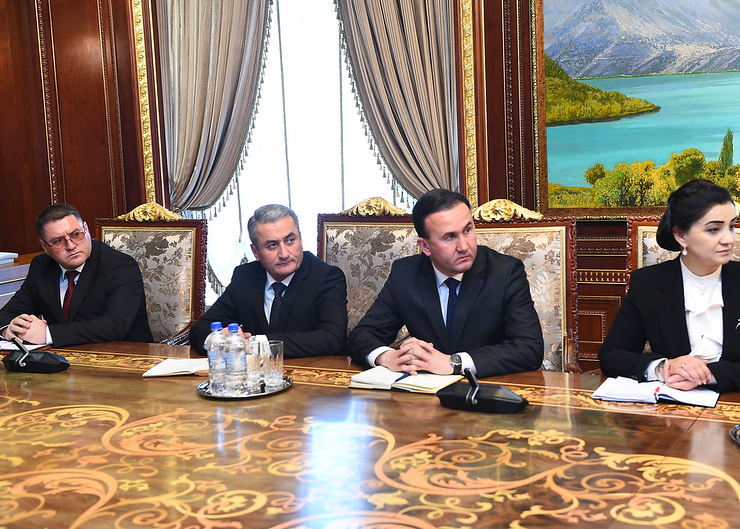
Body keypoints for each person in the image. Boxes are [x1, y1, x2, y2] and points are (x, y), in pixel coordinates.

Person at [599, 179, 740, 392]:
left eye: (731, 226)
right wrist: (664, 368)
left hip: (739, 401)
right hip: (670, 404)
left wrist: (708, 375)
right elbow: (612, 356)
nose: (729, 239)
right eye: (714, 229)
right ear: (681, 236)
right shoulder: (648, 283)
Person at [347, 189, 544, 378]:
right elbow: (362, 335)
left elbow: (529, 348)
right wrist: (389, 357)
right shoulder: (405, 274)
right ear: (425, 246)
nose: (464, 246)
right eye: (450, 237)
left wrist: (453, 363)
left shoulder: (505, 272)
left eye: (468, 230)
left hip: (488, 388)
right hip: (422, 392)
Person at [189, 204, 347, 357]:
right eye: (272, 245)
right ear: (255, 252)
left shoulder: (326, 277)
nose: (284, 254)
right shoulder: (245, 277)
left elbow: (332, 338)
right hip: (253, 372)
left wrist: (257, 345)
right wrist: (218, 340)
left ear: (300, 239)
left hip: (311, 370)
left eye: (290, 240)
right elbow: (201, 328)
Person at [0, 204, 153, 346]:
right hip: (64, 359)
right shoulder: (41, 266)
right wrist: (8, 329)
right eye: (58, 241)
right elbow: (9, 312)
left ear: (86, 229)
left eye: (75, 234)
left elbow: (115, 326)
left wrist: (47, 334)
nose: (71, 245)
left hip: (126, 357)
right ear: (44, 246)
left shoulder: (120, 265)